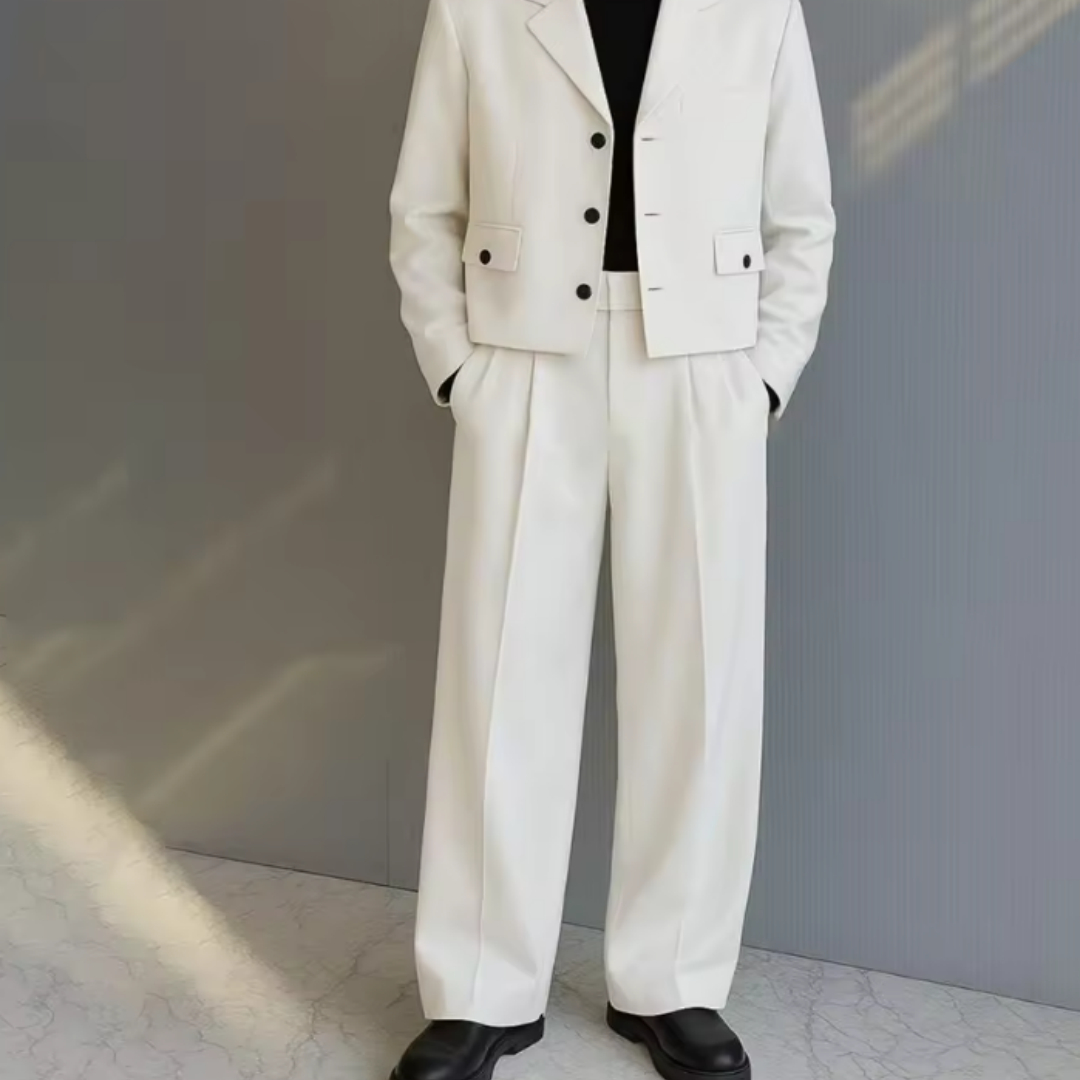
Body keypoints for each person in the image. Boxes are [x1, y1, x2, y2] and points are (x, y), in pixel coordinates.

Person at [387, 0, 835, 1075]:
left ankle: (672, 981)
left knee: (698, 682)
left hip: (701, 364)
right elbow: (423, 207)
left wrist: (762, 380)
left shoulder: (761, 8)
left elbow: (802, 216)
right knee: (500, 677)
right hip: (524, 355)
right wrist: (459, 369)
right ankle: (481, 987)